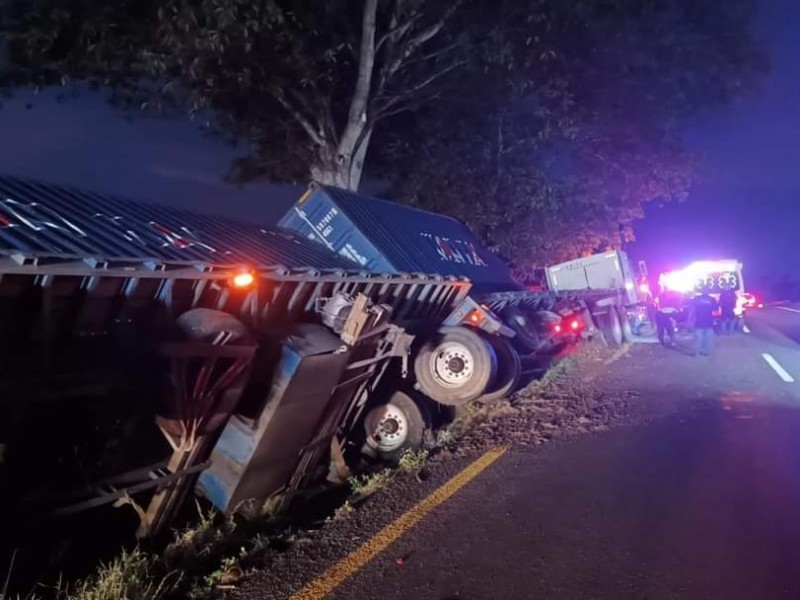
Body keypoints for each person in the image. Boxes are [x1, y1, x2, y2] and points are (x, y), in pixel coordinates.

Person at [690, 288, 718, 356]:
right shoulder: (712, 299)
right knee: (708, 339)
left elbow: (692, 310)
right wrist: (715, 320)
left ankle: (696, 352)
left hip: (699, 321)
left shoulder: (696, 298)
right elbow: (716, 311)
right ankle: (705, 351)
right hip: (708, 322)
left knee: (698, 338)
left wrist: (690, 319)